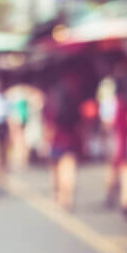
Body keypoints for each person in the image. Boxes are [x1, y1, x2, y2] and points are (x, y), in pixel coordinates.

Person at [45, 74, 82, 211]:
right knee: (69, 169)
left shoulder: (52, 105)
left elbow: (49, 126)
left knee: (56, 170)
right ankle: (69, 198)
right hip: (71, 140)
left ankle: (59, 195)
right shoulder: (74, 104)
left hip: (56, 141)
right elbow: (80, 124)